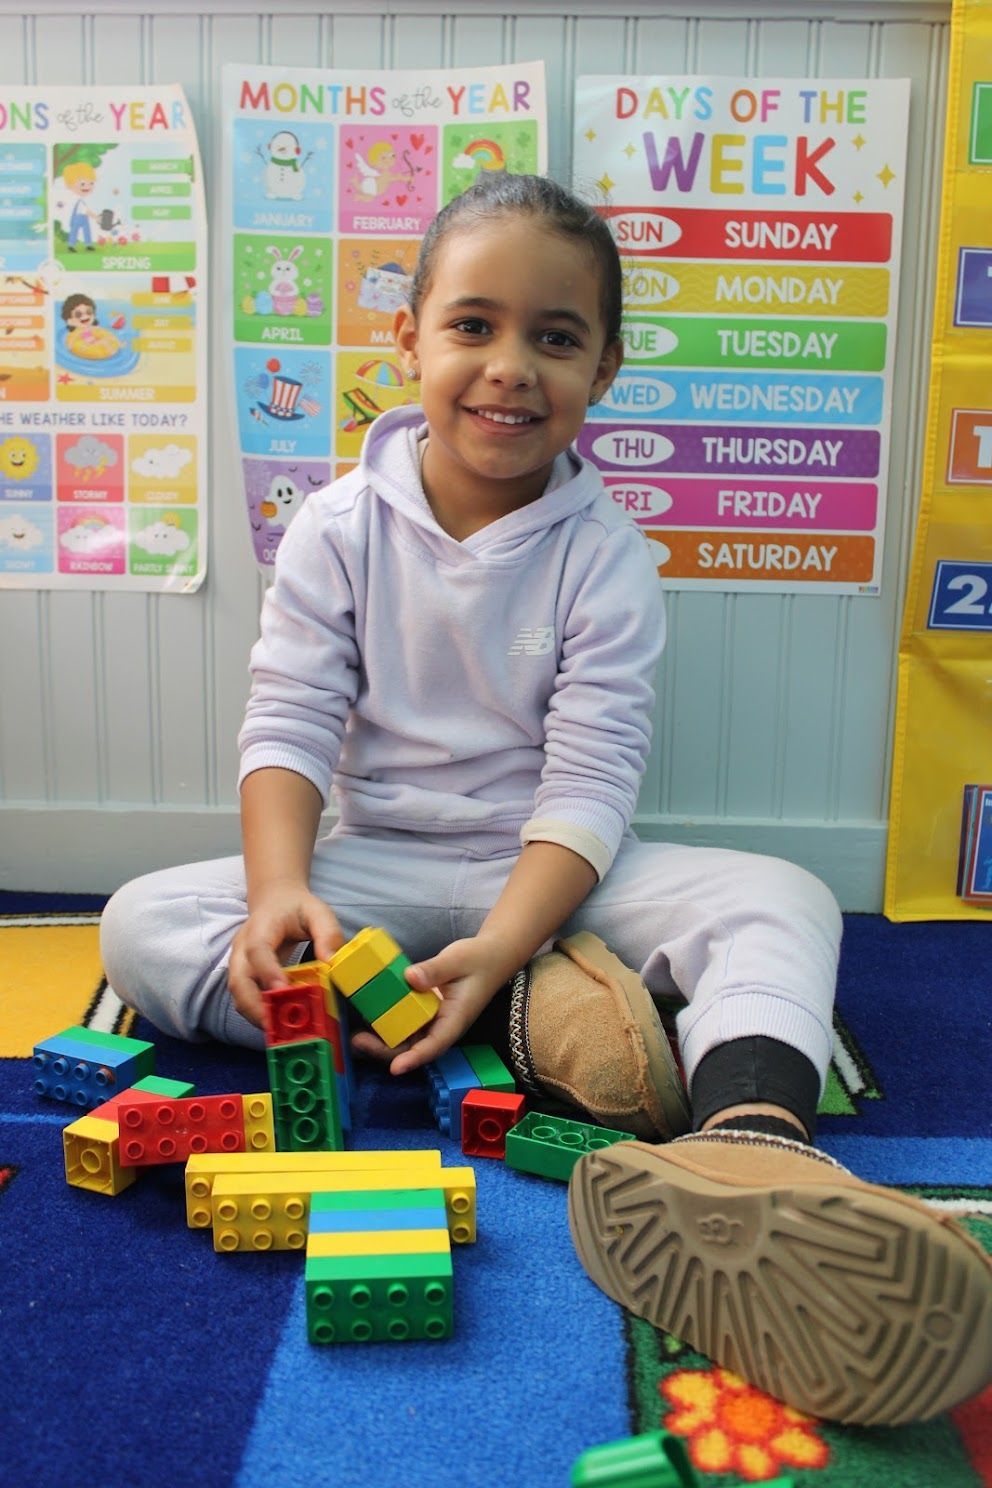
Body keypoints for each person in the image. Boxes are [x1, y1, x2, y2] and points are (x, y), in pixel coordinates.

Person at [100, 172, 991, 1426]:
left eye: (555, 338)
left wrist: (510, 934)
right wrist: (280, 893)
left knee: (781, 896)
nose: (509, 367)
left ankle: (750, 1142)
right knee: (140, 923)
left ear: (602, 369)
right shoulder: (336, 527)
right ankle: (497, 1019)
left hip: (553, 875)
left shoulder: (604, 553)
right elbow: (287, 719)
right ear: (407, 339)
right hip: (380, 867)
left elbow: (588, 780)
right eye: (472, 325)